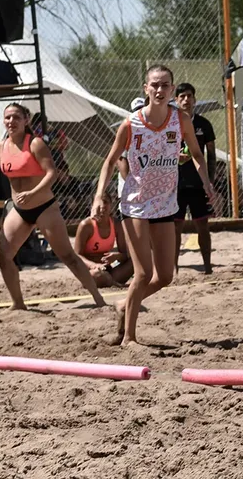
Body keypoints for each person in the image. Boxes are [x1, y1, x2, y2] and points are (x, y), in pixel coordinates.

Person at [91, 64, 216, 347]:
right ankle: (130, 339)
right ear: (146, 89)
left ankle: (124, 304)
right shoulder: (131, 124)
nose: (160, 90)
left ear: (172, 90)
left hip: (164, 204)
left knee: (165, 276)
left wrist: (207, 184)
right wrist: (100, 195)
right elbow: (110, 161)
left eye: (165, 85)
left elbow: (197, 154)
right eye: (155, 85)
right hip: (135, 204)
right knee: (143, 272)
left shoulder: (180, 120)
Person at [0, 103, 106, 310]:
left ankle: (98, 299)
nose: (11, 122)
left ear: (26, 120)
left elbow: (51, 173)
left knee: (67, 255)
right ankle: (18, 304)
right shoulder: (0, 148)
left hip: (44, 207)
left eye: (16, 117)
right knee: (2, 254)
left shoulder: (35, 144)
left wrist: (33, 193)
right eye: (7, 118)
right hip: (20, 209)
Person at [173, 82, 218, 275]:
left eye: (189, 96)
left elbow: (212, 155)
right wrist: (176, 157)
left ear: (194, 99)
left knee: (202, 225)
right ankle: (173, 269)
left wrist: (210, 180)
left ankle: (208, 267)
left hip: (198, 183)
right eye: (182, 96)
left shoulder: (203, 124)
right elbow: (164, 151)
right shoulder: (171, 124)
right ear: (176, 100)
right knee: (175, 227)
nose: (186, 100)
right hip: (175, 184)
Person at [73, 192, 133, 288]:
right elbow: (76, 256)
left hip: (108, 270)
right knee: (96, 275)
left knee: (135, 261)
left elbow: (125, 255)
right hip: (90, 271)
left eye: (105, 202)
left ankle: (109, 281)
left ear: (111, 205)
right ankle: (111, 282)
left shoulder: (117, 224)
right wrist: (94, 265)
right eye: (98, 203)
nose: (102, 206)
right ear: (92, 205)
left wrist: (117, 257)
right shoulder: (86, 225)